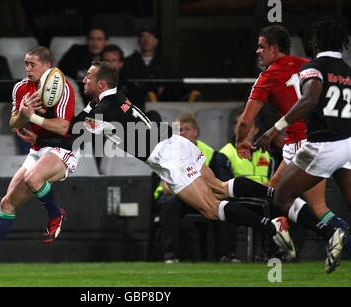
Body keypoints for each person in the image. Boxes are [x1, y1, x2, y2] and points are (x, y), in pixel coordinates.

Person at [20, 60, 298, 262]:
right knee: (221, 188)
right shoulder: (106, 101)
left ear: (101, 84)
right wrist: (40, 134)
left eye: (89, 77)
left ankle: (271, 226)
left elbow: (69, 132)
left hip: (168, 156)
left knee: (212, 210)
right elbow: (74, 129)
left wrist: (32, 119)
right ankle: (273, 196)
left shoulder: (105, 107)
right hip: (174, 143)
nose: (84, 80)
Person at [0, 46, 78, 271]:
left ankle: (56, 213)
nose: (27, 68)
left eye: (32, 64)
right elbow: (13, 124)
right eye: (26, 64)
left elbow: (62, 127)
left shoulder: (64, 88)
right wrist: (22, 114)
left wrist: (32, 118)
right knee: (7, 203)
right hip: (39, 149)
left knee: (33, 179)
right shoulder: (21, 87)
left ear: (48, 66)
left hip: (63, 148)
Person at [235, 24, 350, 255]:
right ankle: (282, 242)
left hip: (308, 142)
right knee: (273, 192)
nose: (258, 51)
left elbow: (245, 121)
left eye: (261, 47)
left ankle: (337, 235)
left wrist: (241, 141)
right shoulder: (307, 64)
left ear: (275, 49)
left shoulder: (270, 76)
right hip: (337, 139)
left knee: (310, 204)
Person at [154, 113, 240, 263]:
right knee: (169, 205)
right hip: (178, 196)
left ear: (195, 132)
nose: (182, 133)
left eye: (186, 129)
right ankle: (171, 256)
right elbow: (164, 185)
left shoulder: (210, 154)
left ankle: (226, 255)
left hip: (202, 194)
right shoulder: (165, 151)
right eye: (178, 130)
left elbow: (216, 183)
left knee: (221, 204)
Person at [59, 25, 108, 103]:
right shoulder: (75, 52)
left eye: (99, 39)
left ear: (106, 42)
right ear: (87, 40)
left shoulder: (109, 57)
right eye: (92, 39)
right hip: (74, 97)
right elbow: (61, 73)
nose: (95, 43)